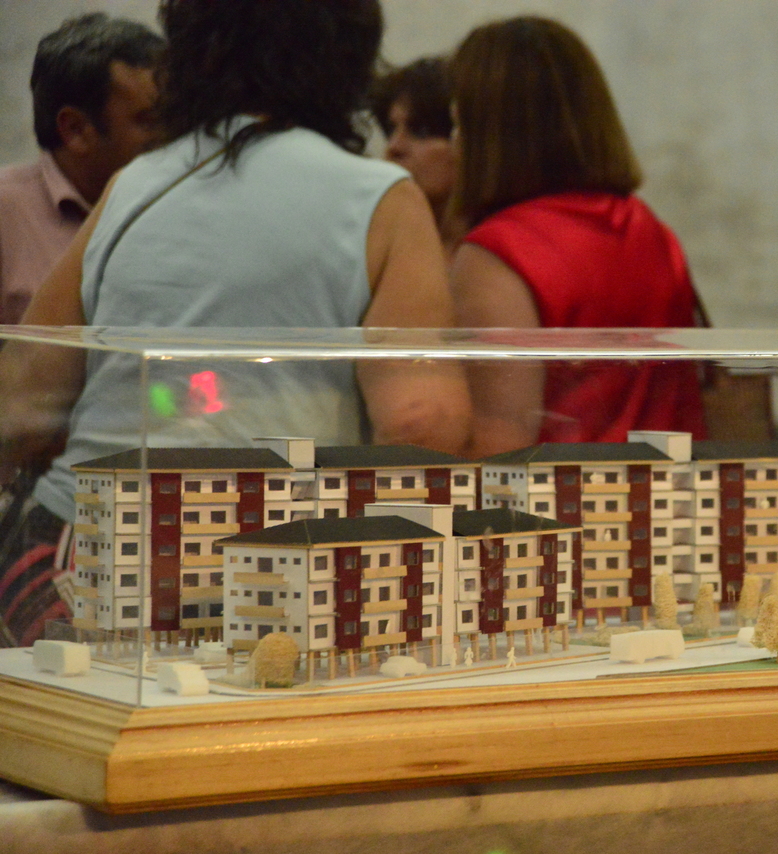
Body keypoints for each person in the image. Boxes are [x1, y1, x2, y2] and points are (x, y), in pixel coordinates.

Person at [0, 0, 470, 647]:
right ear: (349, 58)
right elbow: (420, 423)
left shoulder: (135, 184)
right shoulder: (382, 198)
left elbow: (20, 400)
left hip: (74, 553)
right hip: (277, 560)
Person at [448, 16, 706, 457]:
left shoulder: (497, 253)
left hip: (563, 495)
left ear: (488, 135)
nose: (454, 143)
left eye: (458, 124)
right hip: (671, 489)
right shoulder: (646, 226)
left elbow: (501, 444)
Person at [0, 14, 163, 326]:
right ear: (76, 129)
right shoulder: (6, 214)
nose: (172, 136)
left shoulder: (176, 204)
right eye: (149, 120)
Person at [370, 57, 463, 254]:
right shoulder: (371, 245)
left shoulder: (503, 248)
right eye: (390, 130)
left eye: (420, 131)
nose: (394, 147)